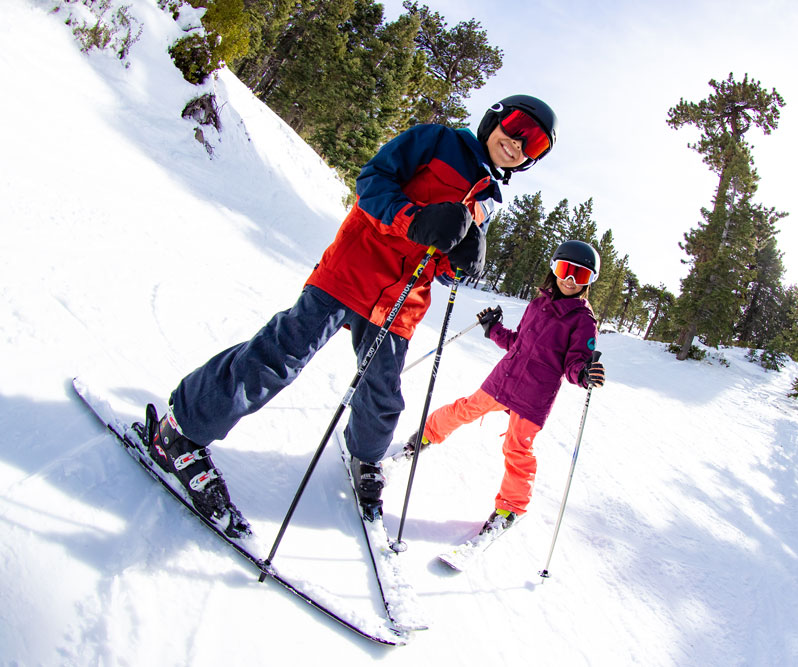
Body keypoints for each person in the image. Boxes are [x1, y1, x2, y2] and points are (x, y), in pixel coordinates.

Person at [143, 95, 559, 535]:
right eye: (516, 127)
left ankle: (364, 458)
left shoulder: (487, 202)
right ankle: (179, 431)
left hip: (401, 302)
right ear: (494, 118)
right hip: (352, 269)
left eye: (533, 145)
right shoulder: (437, 141)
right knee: (278, 357)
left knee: (381, 397)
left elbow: (439, 260)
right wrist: (413, 219)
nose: (517, 144)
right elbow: (372, 182)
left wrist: (457, 261)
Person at [403, 240, 606, 536]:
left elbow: (573, 364)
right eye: (566, 270)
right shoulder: (538, 303)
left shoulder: (584, 322)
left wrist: (584, 373)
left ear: (589, 282)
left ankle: (510, 507)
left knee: (517, 447)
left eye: (581, 276)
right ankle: (427, 434)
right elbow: (518, 342)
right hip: (506, 378)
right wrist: (493, 329)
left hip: (536, 394)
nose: (571, 280)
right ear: (555, 269)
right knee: (466, 408)